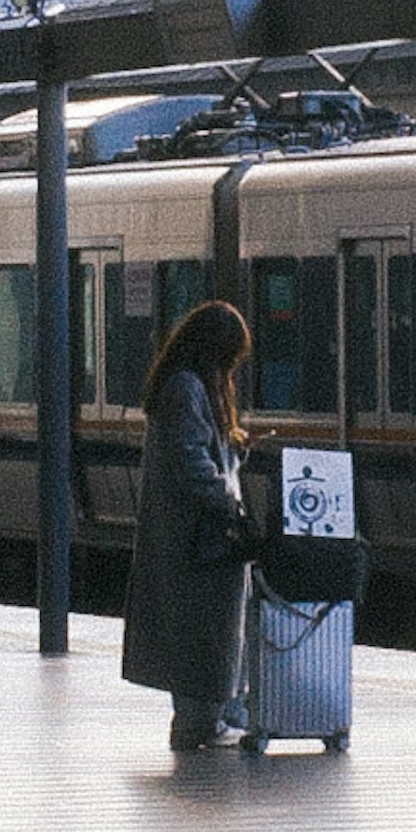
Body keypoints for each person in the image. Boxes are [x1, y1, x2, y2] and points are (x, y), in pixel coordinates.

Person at [121, 298, 253, 754]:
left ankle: (210, 714)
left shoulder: (185, 384)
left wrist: (233, 450)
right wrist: (228, 500)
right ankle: (199, 719)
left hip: (196, 534)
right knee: (202, 630)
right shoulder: (185, 388)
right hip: (195, 538)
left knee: (207, 629)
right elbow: (192, 463)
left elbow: (199, 452)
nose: (230, 370)